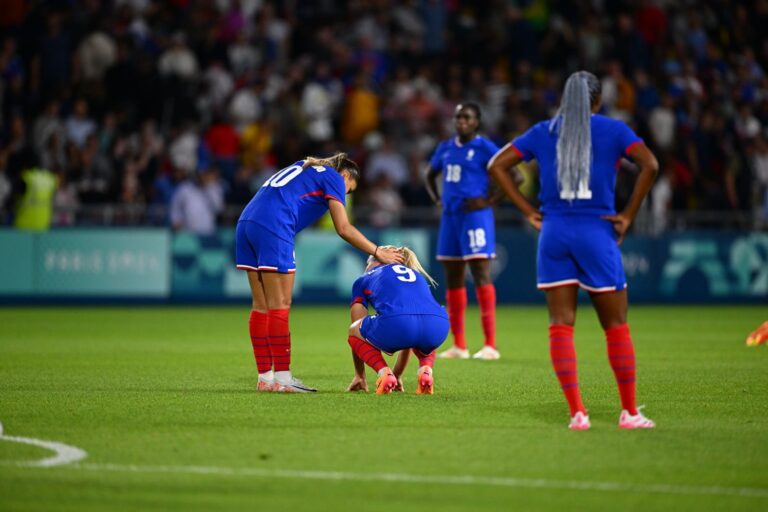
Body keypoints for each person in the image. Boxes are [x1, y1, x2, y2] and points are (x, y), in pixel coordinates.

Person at [487, 71, 659, 430]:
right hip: (596, 232)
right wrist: (627, 215)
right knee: (615, 326)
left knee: (560, 326)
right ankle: (628, 412)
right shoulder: (613, 130)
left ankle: (577, 414)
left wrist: (528, 209)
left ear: (565, 98)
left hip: (554, 233)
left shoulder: (543, 131)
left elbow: (497, 166)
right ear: (597, 100)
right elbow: (650, 164)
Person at [236, 153, 402, 393]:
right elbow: (343, 228)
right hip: (275, 223)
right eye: (348, 189)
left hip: (246, 223)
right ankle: (283, 378)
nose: (344, 195)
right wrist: (378, 251)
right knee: (280, 304)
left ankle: (265, 378)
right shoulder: (334, 177)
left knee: (261, 305)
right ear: (346, 175)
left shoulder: (304, 167)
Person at [425, 102, 502, 360]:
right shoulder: (446, 147)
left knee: (480, 272)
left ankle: (490, 344)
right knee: (453, 276)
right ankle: (460, 345)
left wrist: (488, 200)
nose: (461, 121)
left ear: (477, 121)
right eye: (458, 117)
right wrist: (438, 199)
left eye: (467, 117)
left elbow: (515, 177)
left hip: (476, 217)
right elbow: (429, 175)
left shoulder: (485, 147)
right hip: (451, 218)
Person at [345, 246, 449, 395]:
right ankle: (425, 370)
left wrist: (360, 375)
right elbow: (409, 334)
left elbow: (357, 324)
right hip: (439, 324)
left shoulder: (363, 279)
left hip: (399, 324)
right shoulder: (415, 274)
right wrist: (398, 374)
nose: (366, 267)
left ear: (376, 260)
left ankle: (384, 374)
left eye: (367, 262)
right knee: (420, 328)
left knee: (354, 330)